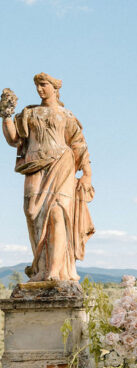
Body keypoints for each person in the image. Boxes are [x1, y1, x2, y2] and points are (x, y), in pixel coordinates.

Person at [1, 73, 94, 281]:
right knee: (32, 213)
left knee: (57, 214)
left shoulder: (66, 115)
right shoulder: (29, 113)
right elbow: (14, 139)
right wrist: (6, 116)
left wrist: (87, 174)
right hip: (34, 165)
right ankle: (41, 268)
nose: (39, 89)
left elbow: (79, 145)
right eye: (37, 85)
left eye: (43, 85)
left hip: (62, 165)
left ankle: (54, 271)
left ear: (54, 87)